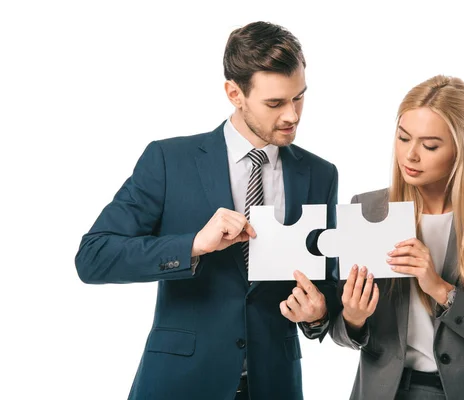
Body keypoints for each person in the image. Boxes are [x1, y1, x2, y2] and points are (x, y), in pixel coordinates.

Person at [75, 21, 340, 400]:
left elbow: (326, 281)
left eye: (299, 97)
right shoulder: (169, 160)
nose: (292, 116)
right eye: (275, 103)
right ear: (235, 93)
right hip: (179, 383)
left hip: (274, 385)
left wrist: (317, 313)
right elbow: (93, 257)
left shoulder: (319, 174)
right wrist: (193, 245)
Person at [330, 75, 464, 399]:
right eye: (403, 138)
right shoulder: (366, 209)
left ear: (459, 150)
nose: (410, 155)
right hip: (389, 391)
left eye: (429, 145)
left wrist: (440, 289)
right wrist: (353, 318)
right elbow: (343, 333)